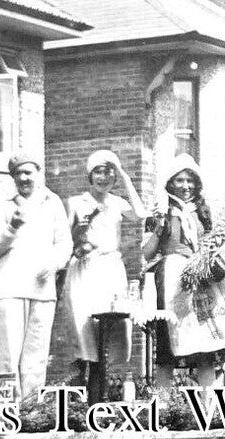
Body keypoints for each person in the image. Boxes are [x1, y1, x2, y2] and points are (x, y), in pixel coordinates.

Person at [141, 154, 225, 389]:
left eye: (190, 181)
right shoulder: (161, 211)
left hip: (200, 279)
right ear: (170, 184)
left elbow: (211, 244)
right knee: (167, 347)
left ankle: (207, 408)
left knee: (204, 346)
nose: (186, 186)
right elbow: (146, 253)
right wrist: (158, 230)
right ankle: (162, 409)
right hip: (170, 281)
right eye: (179, 181)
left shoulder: (202, 212)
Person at [0, 152, 72, 400]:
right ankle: (8, 412)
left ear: (38, 173)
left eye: (28, 172)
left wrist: (54, 263)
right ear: (13, 177)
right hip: (10, 288)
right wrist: (11, 227)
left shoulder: (52, 202)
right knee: (8, 356)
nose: (23, 178)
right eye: (18, 174)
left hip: (42, 290)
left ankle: (31, 411)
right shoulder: (3, 204)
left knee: (36, 357)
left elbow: (64, 244)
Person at [65, 150, 145, 381]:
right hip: (86, 269)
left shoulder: (118, 203)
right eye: (98, 172)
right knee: (87, 330)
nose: (104, 178)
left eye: (109, 173)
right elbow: (65, 239)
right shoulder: (76, 203)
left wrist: (123, 172)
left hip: (112, 269)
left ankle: (111, 384)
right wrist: (79, 244)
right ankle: (86, 382)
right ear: (90, 176)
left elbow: (140, 214)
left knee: (116, 327)